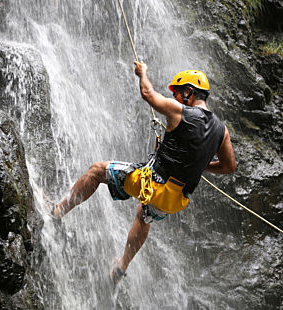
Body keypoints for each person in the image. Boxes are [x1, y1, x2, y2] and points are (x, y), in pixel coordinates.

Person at [49, 61, 236, 286]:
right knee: (144, 215)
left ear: (189, 92)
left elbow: (148, 93)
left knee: (97, 170)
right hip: (175, 200)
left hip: (152, 184)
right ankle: (121, 266)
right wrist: (200, 165)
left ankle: (57, 212)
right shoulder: (221, 130)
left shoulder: (182, 111)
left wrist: (143, 72)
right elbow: (228, 167)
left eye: (177, 93)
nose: (175, 98)